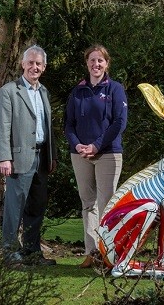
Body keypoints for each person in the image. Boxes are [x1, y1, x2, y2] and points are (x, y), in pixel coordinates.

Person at [64, 44, 128, 268]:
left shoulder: (115, 89)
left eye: (100, 60)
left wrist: (96, 145)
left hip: (107, 153)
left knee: (106, 204)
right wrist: (78, 145)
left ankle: (109, 253)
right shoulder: (78, 91)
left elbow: (119, 123)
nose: (96, 64)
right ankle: (92, 252)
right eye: (92, 60)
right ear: (87, 64)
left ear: (106, 64)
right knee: (87, 203)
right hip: (80, 155)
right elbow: (69, 124)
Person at [0, 44, 57, 267]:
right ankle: (10, 253)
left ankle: (32, 253)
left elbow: (49, 127)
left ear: (44, 67)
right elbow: (2, 127)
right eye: (30, 62)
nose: (34, 67)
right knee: (15, 208)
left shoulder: (44, 92)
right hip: (18, 159)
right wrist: (4, 157)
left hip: (42, 159)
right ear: (22, 64)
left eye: (38, 63)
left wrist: (53, 156)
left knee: (36, 208)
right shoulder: (9, 91)